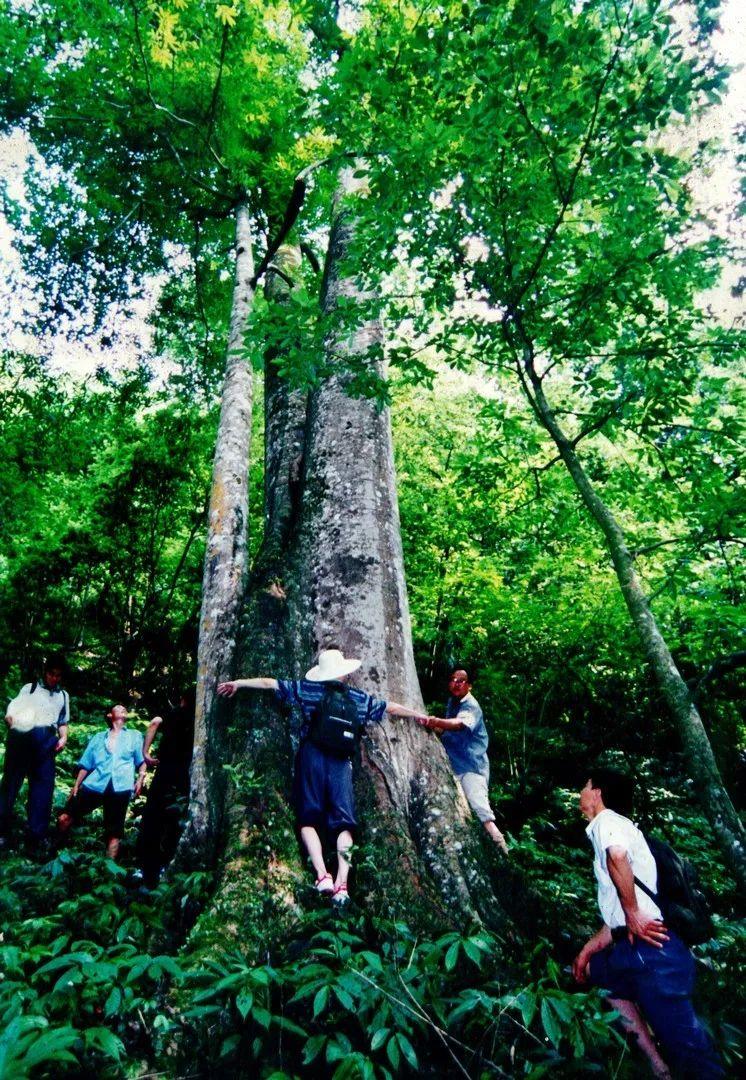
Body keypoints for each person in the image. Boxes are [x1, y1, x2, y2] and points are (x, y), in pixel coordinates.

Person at [217, 647, 428, 906]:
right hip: (341, 761)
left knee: (308, 817)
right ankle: (342, 884)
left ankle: (322, 876)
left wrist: (238, 683)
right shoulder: (359, 699)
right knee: (344, 822)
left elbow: (269, 683)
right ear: (343, 674)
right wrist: (420, 716)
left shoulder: (308, 690)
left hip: (312, 756)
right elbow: (391, 708)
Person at [573, 768, 722, 1079]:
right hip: (635, 951)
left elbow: (617, 856)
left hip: (654, 953)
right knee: (598, 975)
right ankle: (659, 1067)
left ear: (598, 794)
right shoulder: (618, 826)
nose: (581, 793)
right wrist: (589, 949)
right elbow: (615, 916)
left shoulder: (607, 822)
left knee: (691, 1053)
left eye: (585, 786)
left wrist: (631, 913)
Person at [418, 668, 508, 853]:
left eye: (462, 680)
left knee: (482, 814)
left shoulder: (471, 706)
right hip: (454, 768)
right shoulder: (453, 703)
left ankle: (503, 852)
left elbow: (459, 725)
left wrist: (435, 721)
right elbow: (447, 731)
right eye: (453, 679)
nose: (457, 683)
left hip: (471, 768)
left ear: (469, 685)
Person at [0, 653, 70, 853]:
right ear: (45, 672)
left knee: (43, 789)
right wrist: (11, 721)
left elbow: (63, 723)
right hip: (22, 738)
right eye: (51, 674)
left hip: (46, 741)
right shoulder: (29, 688)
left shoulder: (63, 696)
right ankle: (2, 832)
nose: (54, 678)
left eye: (58, 675)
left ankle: (35, 838)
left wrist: (63, 738)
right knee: (10, 784)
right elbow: (13, 710)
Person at [57, 704, 146, 860]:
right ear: (110, 715)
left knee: (114, 832)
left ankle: (107, 872)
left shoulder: (134, 735)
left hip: (121, 787)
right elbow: (86, 764)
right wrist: (76, 785)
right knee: (65, 817)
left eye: (125, 708)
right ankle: (56, 852)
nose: (123, 709)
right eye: (119, 708)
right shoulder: (99, 737)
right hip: (95, 783)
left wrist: (140, 778)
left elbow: (141, 761)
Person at [137, 688, 195, 887]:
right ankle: (166, 866)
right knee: (174, 819)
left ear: (182, 700)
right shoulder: (199, 719)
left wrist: (145, 752)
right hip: (185, 774)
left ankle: (147, 871)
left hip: (165, 770)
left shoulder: (174, 713)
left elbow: (154, 722)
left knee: (153, 818)